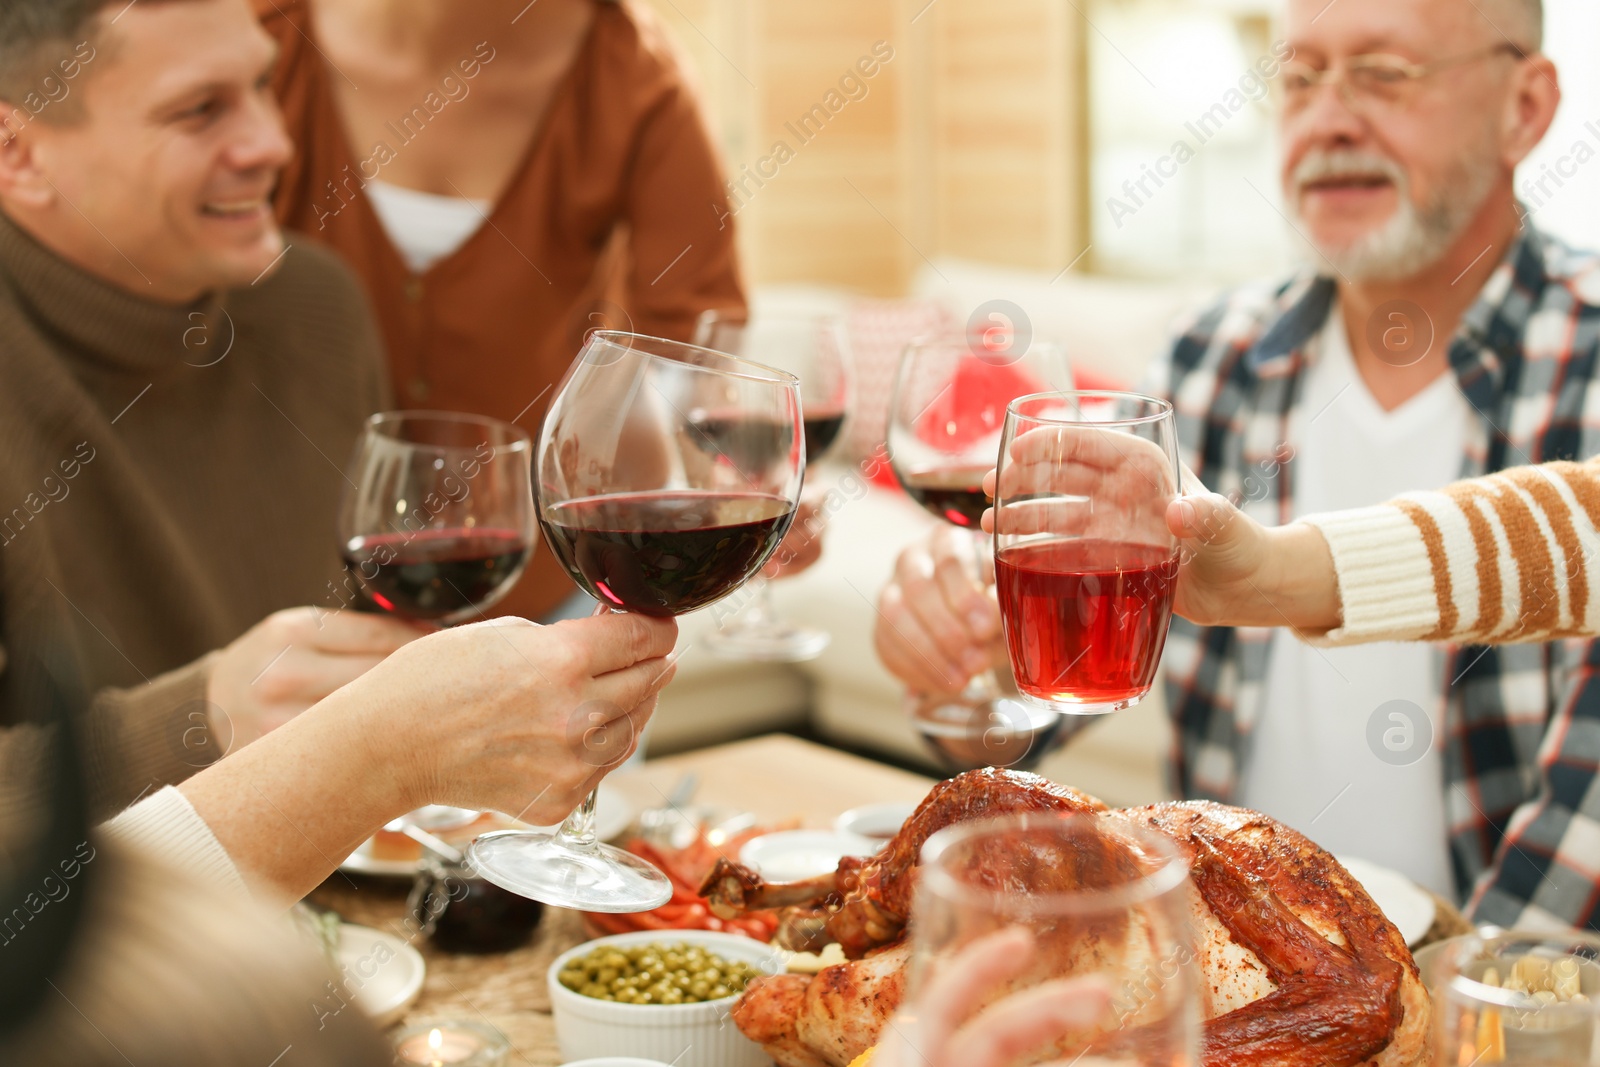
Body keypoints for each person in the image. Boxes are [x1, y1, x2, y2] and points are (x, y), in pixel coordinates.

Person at [877, 0, 1600, 930]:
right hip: (1221, 970)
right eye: (1299, 78)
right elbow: (1048, 710)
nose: (1329, 119)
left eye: (1384, 72)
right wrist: (959, 670)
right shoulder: (1212, 357)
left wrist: (1469, 1008)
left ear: (1525, 107)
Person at [0, 0, 677, 899]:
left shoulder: (311, 306)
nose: (272, 143)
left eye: (260, 86)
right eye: (199, 109)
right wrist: (196, 718)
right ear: (20, 155)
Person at [257, 0, 756, 623]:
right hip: (294, 584)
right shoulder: (261, 40)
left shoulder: (632, 73)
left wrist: (732, 473)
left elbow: (695, 340)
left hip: (544, 586)